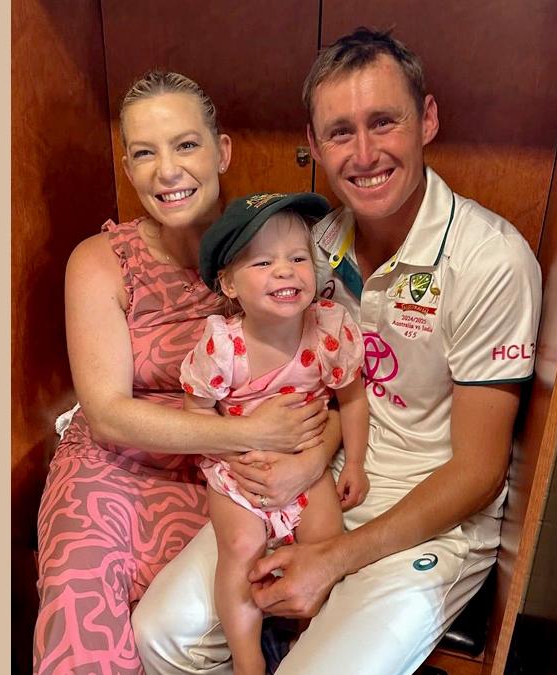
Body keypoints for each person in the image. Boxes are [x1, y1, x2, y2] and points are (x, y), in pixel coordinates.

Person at [133, 28, 542, 675]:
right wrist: (306, 463)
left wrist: (333, 557)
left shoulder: (488, 259)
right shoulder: (317, 247)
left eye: (384, 122)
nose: (365, 152)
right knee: (162, 630)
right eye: (340, 131)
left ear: (427, 119)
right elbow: (320, 388)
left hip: (429, 521)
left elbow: (478, 471)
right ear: (316, 144)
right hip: (318, 484)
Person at [33, 71, 339, 675]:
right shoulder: (100, 262)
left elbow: (322, 386)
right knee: (81, 603)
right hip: (115, 467)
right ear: (126, 166)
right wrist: (250, 435)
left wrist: (310, 453)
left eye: (186, 145)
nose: (166, 171)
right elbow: (107, 413)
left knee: (214, 612)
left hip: (226, 478)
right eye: (144, 153)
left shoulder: (273, 251)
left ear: (221, 151)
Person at [180, 193, 369, 675]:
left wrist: (357, 464)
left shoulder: (329, 329)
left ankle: (307, 648)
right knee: (240, 550)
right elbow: (194, 414)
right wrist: (235, 444)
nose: (285, 271)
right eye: (264, 262)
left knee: (325, 542)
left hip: (306, 463)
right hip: (237, 468)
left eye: (298, 258)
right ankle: (249, 665)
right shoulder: (222, 345)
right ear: (229, 283)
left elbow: (351, 398)